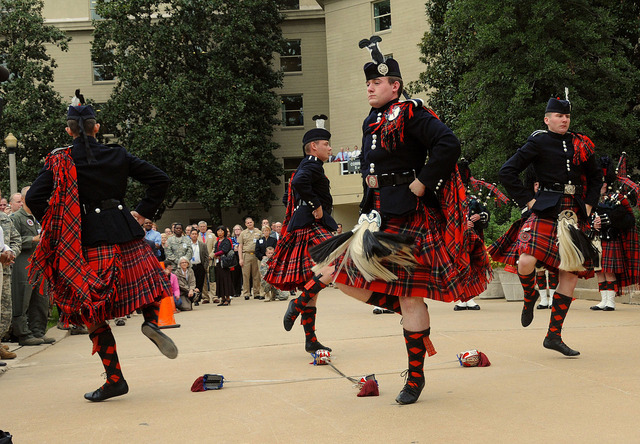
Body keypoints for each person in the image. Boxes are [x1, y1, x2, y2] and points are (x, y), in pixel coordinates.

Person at [287, 42, 491, 405]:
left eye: (376, 84)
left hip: (409, 214)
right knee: (342, 276)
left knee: (411, 297)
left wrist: (422, 181)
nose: (369, 88)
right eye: (367, 84)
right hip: (377, 212)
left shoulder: (412, 113)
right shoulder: (371, 119)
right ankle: (405, 312)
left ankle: (415, 377)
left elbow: (448, 144)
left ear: (394, 85)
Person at [26, 104, 177, 402]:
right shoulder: (118, 154)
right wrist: (143, 212)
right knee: (148, 284)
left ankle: (115, 379)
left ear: (69, 130)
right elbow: (160, 179)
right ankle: (151, 323)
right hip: (125, 230)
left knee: (91, 309)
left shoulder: (61, 160)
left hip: (87, 239)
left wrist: (59, 227)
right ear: (97, 128)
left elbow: (33, 197)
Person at [498, 96, 602, 357]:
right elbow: (507, 171)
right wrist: (528, 200)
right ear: (547, 119)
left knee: (570, 272)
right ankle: (529, 294)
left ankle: (553, 336)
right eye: (558, 116)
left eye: (566, 116)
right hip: (545, 208)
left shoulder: (581, 143)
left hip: (574, 211)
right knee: (526, 260)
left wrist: (589, 205)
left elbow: (596, 175)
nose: (564, 120)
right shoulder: (539, 141)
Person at [265, 119, 338, 353]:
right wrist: (315, 204)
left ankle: (311, 340)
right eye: (326, 144)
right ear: (314, 147)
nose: (330, 148)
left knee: (312, 285)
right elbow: (298, 182)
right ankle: (295, 305)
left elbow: (289, 198)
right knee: (332, 268)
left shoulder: (306, 165)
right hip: (311, 226)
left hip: (303, 226)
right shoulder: (312, 165)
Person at [590, 155, 640, 311]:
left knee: (609, 270)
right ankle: (603, 300)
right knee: (599, 271)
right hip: (596, 239)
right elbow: (584, 218)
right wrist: (593, 223)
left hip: (611, 238)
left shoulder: (617, 198)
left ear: (605, 183)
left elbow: (628, 220)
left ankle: (610, 301)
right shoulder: (592, 200)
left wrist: (607, 219)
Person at [10, 186, 54, 345]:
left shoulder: (37, 216)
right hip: (24, 263)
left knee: (41, 299)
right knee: (22, 299)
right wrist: (32, 239)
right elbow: (12, 241)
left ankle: (38, 331)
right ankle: (23, 334)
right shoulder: (16, 217)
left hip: (40, 262)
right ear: (22, 199)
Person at [0, 191, 20, 363]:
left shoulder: (4, 220)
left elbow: (15, 240)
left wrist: (11, 253)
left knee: (5, 313)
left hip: (5, 271)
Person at [238, 217, 263, 300]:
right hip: (246, 255)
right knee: (246, 275)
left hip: (256, 255)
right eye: (248, 223)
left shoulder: (259, 232)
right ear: (245, 224)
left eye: (251, 222)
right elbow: (240, 246)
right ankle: (246, 293)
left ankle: (256, 292)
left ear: (253, 222)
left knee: (256, 275)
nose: (249, 224)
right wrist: (240, 258)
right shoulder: (243, 233)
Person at [212, 225, 235, 306]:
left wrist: (215, 254)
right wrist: (215, 254)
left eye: (222, 231)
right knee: (219, 280)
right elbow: (215, 249)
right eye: (218, 231)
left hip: (224, 263)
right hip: (218, 263)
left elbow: (225, 250)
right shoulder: (217, 241)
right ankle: (222, 298)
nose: (220, 233)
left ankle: (228, 298)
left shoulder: (227, 241)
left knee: (226, 280)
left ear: (224, 232)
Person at [197, 221, 215, 303]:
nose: (203, 228)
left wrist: (211, 256)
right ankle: (205, 297)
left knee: (212, 279)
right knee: (202, 279)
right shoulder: (196, 236)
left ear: (206, 227)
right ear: (198, 227)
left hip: (210, 261)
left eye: (204, 226)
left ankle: (214, 296)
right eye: (201, 226)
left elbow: (215, 247)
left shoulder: (212, 235)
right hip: (201, 261)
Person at [188, 229, 207, 306]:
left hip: (199, 265)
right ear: (190, 235)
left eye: (196, 234)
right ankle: (191, 298)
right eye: (192, 234)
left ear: (198, 235)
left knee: (200, 282)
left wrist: (204, 267)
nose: (194, 235)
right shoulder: (187, 245)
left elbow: (206, 256)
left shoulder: (202, 245)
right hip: (190, 266)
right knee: (192, 282)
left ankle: (197, 299)